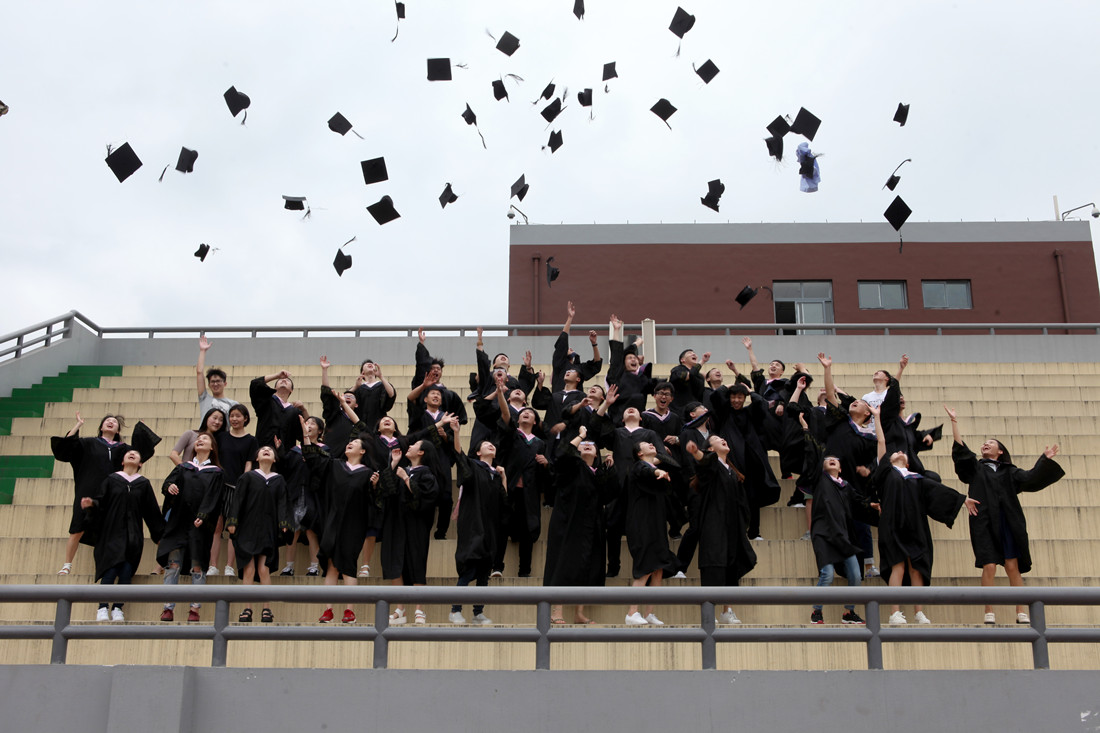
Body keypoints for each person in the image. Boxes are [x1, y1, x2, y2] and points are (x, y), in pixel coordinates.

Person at [945, 405, 1065, 624]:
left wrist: (1044, 460)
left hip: (1007, 521)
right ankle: (988, 610)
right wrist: (954, 423)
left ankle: (1021, 611)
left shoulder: (1009, 471)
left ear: (1000, 451)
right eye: (984, 443)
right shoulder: (976, 469)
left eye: (990, 443)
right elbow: (962, 453)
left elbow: (1030, 478)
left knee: (1012, 566)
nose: (985, 445)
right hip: (983, 520)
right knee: (989, 565)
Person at [871, 402, 978, 625]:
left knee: (916, 567)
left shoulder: (917, 479)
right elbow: (881, 442)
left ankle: (919, 611)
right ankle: (895, 612)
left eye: (902, 452)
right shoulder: (885, 473)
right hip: (892, 523)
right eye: (895, 453)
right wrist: (877, 417)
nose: (899, 452)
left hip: (916, 525)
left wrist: (962, 499)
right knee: (897, 565)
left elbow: (939, 492)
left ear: (909, 461)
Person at [51, 413, 153, 575]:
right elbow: (66, 447)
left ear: (118, 429)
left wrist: (141, 430)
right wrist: (78, 425)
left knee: (108, 530)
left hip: (111, 495)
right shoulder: (88, 443)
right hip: (87, 492)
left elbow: (140, 455)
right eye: (107, 421)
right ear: (101, 427)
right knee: (78, 528)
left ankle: (106, 565)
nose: (111, 422)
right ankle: (67, 564)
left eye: (114, 422)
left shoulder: (124, 449)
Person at [301, 416, 379, 624]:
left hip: (354, 525)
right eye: (348, 443)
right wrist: (306, 437)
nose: (349, 444)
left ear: (362, 451)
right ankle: (328, 610)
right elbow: (313, 460)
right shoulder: (334, 465)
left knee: (348, 565)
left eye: (354, 443)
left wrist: (374, 487)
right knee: (332, 565)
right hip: (332, 521)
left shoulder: (368, 474)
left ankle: (349, 611)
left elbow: (375, 502)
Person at [800, 413, 871, 625]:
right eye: (828, 460)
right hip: (823, 533)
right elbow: (813, 455)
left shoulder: (846, 486)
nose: (832, 460)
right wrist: (805, 429)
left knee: (856, 576)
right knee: (827, 575)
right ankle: (816, 611)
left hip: (843, 536)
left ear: (840, 468)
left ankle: (849, 612)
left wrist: (874, 505)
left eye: (836, 461)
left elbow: (860, 502)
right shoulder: (820, 480)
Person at [80, 449, 165, 621]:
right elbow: (100, 502)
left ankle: (118, 607)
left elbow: (152, 512)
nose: (132, 454)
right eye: (128, 453)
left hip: (133, 535)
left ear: (141, 463)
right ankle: (102, 607)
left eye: (136, 454)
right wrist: (91, 505)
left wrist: (161, 537)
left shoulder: (143, 484)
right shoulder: (112, 480)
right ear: (122, 461)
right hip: (111, 533)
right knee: (110, 569)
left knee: (126, 571)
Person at [544, 426, 617, 624]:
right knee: (564, 563)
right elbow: (562, 454)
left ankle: (579, 613)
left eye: (591, 445)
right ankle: (556, 611)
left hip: (592, 525)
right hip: (568, 522)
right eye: (583, 444)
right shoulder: (572, 466)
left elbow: (609, 495)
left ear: (597, 454)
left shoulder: (598, 472)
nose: (587, 445)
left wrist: (609, 470)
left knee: (588, 566)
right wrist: (581, 435)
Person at [817, 352, 879, 578]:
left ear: (868, 414)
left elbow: (879, 455)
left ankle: (865, 566)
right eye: (855, 400)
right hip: (832, 481)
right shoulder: (840, 420)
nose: (856, 402)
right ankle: (833, 566)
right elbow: (831, 395)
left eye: (862, 403)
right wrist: (827, 369)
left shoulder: (869, 437)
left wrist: (869, 469)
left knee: (859, 525)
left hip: (856, 486)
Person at [684, 435, 756, 625]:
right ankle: (709, 613)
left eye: (724, 438)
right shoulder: (713, 466)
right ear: (710, 449)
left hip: (732, 526)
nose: (723, 439)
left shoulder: (732, 472)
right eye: (717, 439)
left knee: (731, 566)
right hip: (714, 525)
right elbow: (705, 463)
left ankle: (727, 610)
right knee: (713, 565)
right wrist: (697, 453)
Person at [157, 432, 224, 622]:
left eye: (205, 439)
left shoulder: (216, 472)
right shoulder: (184, 468)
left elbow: (214, 497)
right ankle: (168, 607)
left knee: (198, 565)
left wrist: (203, 515)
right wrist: (169, 487)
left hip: (200, 524)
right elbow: (168, 483)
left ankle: (195, 608)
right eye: (198, 439)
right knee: (173, 564)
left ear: (212, 448)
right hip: (179, 520)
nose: (199, 440)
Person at [378, 439, 438, 625]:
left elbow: (426, 498)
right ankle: (400, 609)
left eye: (414, 445)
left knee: (416, 561)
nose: (409, 446)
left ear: (421, 452)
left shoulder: (427, 474)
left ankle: (419, 609)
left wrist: (405, 478)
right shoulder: (401, 469)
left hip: (416, 524)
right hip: (396, 522)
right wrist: (394, 465)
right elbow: (386, 491)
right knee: (395, 561)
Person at [450, 431, 507, 625]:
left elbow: (504, 502)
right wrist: (457, 432)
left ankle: (478, 612)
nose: (491, 445)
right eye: (486, 444)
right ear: (478, 452)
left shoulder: (496, 475)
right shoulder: (473, 466)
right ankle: (455, 609)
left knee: (484, 570)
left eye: (493, 444)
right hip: (473, 525)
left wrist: (504, 477)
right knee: (470, 567)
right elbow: (459, 456)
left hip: (490, 527)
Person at [227, 445, 289, 623]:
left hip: (267, 529)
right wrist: (233, 521)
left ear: (275, 459)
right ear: (256, 457)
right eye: (262, 449)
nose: (266, 450)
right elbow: (237, 500)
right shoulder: (247, 477)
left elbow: (283, 503)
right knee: (249, 568)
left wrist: (284, 523)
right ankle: (247, 609)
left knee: (264, 569)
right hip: (247, 528)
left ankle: (266, 609)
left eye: (270, 450)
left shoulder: (279, 480)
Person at [624, 441, 679, 625]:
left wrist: (658, 459)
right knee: (646, 567)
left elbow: (674, 464)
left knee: (658, 569)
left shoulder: (650, 463)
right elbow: (645, 470)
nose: (651, 443)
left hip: (656, 524)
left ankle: (648, 613)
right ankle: (632, 613)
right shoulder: (639, 466)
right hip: (642, 524)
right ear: (639, 453)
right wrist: (658, 471)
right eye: (646, 444)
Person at [211, 405, 258, 577]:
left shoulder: (251, 441)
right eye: (231, 416)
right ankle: (213, 565)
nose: (234, 419)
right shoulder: (221, 437)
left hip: (236, 488)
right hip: (219, 486)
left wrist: (243, 486)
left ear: (245, 418)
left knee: (232, 527)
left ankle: (229, 566)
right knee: (217, 527)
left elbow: (249, 464)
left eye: (238, 416)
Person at [549, 301, 602, 394]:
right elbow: (562, 342)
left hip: (575, 402)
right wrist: (570, 318)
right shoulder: (559, 364)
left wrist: (594, 344)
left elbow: (596, 365)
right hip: (559, 403)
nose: (570, 349)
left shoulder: (579, 368)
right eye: (568, 349)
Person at [250, 369, 305, 449]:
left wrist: (304, 410)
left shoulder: (295, 411)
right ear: (275, 387)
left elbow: (304, 433)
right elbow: (255, 384)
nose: (283, 380)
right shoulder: (266, 401)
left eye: (287, 380)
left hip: (285, 455)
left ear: (291, 390)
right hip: (264, 451)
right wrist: (277, 376)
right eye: (280, 380)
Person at [195, 336, 239, 419]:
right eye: (212, 381)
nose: (215, 384)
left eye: (218, 381)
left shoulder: (233, 404)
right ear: (208, 384)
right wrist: (202, 351)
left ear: (225, 383)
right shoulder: (204, 399)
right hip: (205, 432)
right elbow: (199, 372)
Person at [352, 358, 396, 431]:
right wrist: (355, 386)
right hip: (362, 427)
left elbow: (391, 394)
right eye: (366, 364)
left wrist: (381, 376)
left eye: (372, 364)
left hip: (378, 426)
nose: (370, 364)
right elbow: (345, 398)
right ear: (362, 372)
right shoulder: (358, 388)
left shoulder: (382, 385)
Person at [668, 348, 711, 417]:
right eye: (689, 353)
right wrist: (702, 361)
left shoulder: (699, 376)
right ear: (682, 360)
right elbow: (688, 375)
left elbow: (700, 395)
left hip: (694, 412)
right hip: (678, 411)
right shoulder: (678, 369)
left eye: (694, 353)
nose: (693, 354)